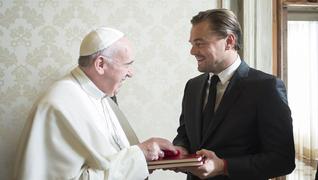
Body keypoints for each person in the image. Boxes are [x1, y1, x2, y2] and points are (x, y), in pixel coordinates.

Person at [13, 27, 177, 180]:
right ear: (100, 64)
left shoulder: (99, 95)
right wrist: (140, 155)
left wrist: (146, 159)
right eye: (127, 65)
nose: (131, 73)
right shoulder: (60, 104)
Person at [172, 9, 295, 180]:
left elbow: (283, 160)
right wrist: (179, 151)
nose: (192, 51)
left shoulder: (266, 88)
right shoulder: (192, 86)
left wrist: (223, 166)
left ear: (229, 41)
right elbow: (184, 135)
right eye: (192, 43)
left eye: (199, 43)